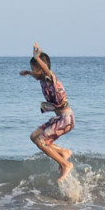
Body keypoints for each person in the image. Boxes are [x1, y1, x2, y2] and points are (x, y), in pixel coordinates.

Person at [19, 43, 74, 181]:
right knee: (34, 136)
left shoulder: (51, 79)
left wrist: (37, 58)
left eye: (34, 69)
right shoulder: (42, 79)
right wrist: (29, 72)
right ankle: (63, 152)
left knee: (42, 142)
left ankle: (65, 164)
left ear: (41, 68)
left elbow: (46, 71)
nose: (33, 71)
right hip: (59, 118)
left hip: (66, 119)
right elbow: (39, 74)